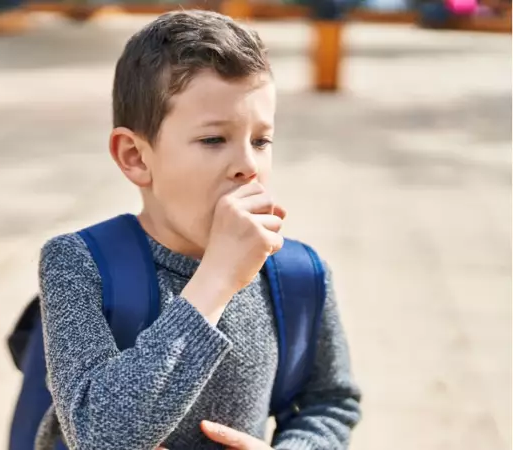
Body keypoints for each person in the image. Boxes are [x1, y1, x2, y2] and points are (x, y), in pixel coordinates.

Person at [35, 10, 361, 450]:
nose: (248, 165)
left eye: (261, 140)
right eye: (213, 139)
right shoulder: (77, 264)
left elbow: (330, 401)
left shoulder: (298, 272)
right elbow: (99, 437)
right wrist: (216, 280)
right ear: (135, 156)